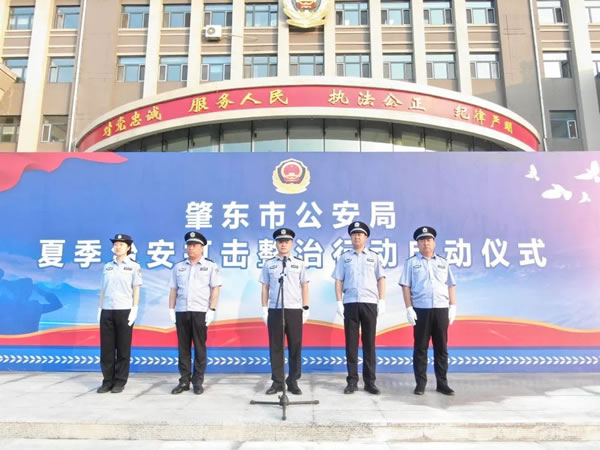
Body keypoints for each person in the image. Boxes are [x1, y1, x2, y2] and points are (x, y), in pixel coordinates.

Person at [399, 226, 457, 396]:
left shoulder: (443, 262)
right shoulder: (411, 263)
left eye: (428, 240)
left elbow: (450, 285)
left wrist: (453, 306)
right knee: (420, 348)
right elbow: (405, 286)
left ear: (434, 242)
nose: (426, 243)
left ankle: (442, 383)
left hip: (441, 309)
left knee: (441, 348)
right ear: (418, 244)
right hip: (421, 310)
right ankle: (420, 384)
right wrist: (409, 308)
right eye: (422, 240)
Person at [332, 221, 386, 395]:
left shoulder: (374, 257)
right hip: (350, 303)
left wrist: (382, 300)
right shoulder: (344, 258)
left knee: (369, 344)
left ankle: (370, 382)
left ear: (366, 237)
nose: (357, 237)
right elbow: (338, 280)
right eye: (354, 234)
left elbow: (381, 279)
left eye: (360, 234)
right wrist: (339, 301)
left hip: (369, 303)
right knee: (351, 344)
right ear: (350, 237)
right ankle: (352, 382)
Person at [169, 231, 222, 395]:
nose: (191, 248)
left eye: (194, 245)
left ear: (201, 248)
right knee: (183, 348)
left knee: (199, 347)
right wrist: (171, 309)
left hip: (200, 312)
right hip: (182, 311)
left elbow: (215, 289)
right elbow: (173, 289)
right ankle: (184, 381)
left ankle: (197, 381)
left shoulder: (210, 266)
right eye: (189, 245)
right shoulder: (179, 267)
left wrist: (211, 309)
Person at [259, 227, 310, 395]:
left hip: (294, 310)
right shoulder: (269, 264)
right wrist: (264, 308)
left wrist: (306, 307)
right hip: (275, 310)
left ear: (292, 243)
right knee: (276, 347)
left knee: (295, 346)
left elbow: (304, 286)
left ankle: (293, 381)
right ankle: (278, 382)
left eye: (286, 241)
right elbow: (265, 287)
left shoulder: (299, 263)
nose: (283, 244)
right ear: (276, 244)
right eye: (280, 241)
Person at [97, 234, 142, 394]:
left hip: (124, 311)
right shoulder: (107, 266)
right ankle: (107, 381)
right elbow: (103, 290)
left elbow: (136, 289)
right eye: (116, 244)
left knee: (123, 348)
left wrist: (134, 309)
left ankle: (120, 381)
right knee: (107, 349)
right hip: (107, 310)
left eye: (121, 245)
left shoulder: (134, 266)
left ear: (128, 247)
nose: (117, 247)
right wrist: (100, 308)